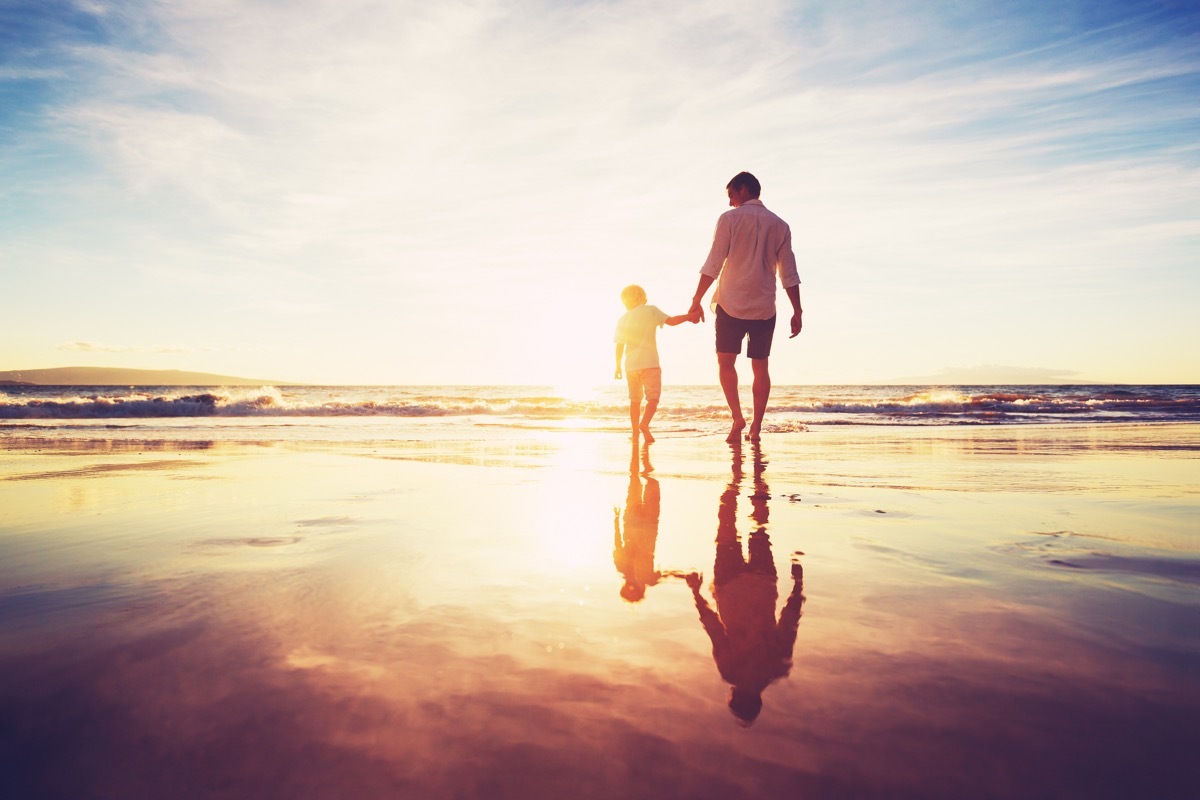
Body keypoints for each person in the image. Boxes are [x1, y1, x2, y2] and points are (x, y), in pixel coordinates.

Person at [686, 442, 805, 726]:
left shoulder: (778, 666)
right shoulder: (730, 671)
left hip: (763, 585)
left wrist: (798, 584)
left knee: (760, 529)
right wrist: (696, 594)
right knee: (726, 524)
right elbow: (713, 627)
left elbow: (790, 620)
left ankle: (755, 474)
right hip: (729, 586)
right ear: (736, 696)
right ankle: (736, 475)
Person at [688, 171, 804, 443]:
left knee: (725, 363)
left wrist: (696, 299)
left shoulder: (729, 219)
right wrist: (797, 310)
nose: (730, 202)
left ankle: (737, 417)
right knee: (760, 367)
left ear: (742, 189)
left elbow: (714, 263)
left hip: (730, 304)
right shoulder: (781, 225)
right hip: (764, 306)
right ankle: (756, 427)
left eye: (731, 195)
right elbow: (789, 273)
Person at [614, 284, 695, 443]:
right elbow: (671, 321)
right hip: (650, 363)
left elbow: (619, 345)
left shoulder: (622, 319)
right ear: (641, 297)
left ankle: (635, 432)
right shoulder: (650, 310)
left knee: (635, 400)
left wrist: (617, 366)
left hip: (631, 366)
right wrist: (689, 316)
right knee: (653, 398)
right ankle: (644, 424)